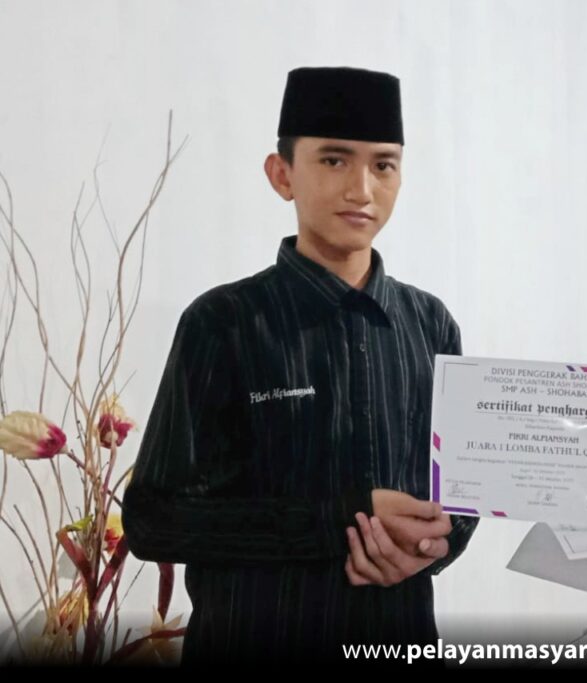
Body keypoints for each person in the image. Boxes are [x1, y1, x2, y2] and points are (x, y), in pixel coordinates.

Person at [123, 66, 477, 664]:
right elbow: (154, 521)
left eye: (383, 165)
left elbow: (461, 496)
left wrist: (432, 547)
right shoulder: (224, 322)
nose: (361, 188)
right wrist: (341, 520)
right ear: (281, 174)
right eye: (334, 160)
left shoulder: (430, 323)